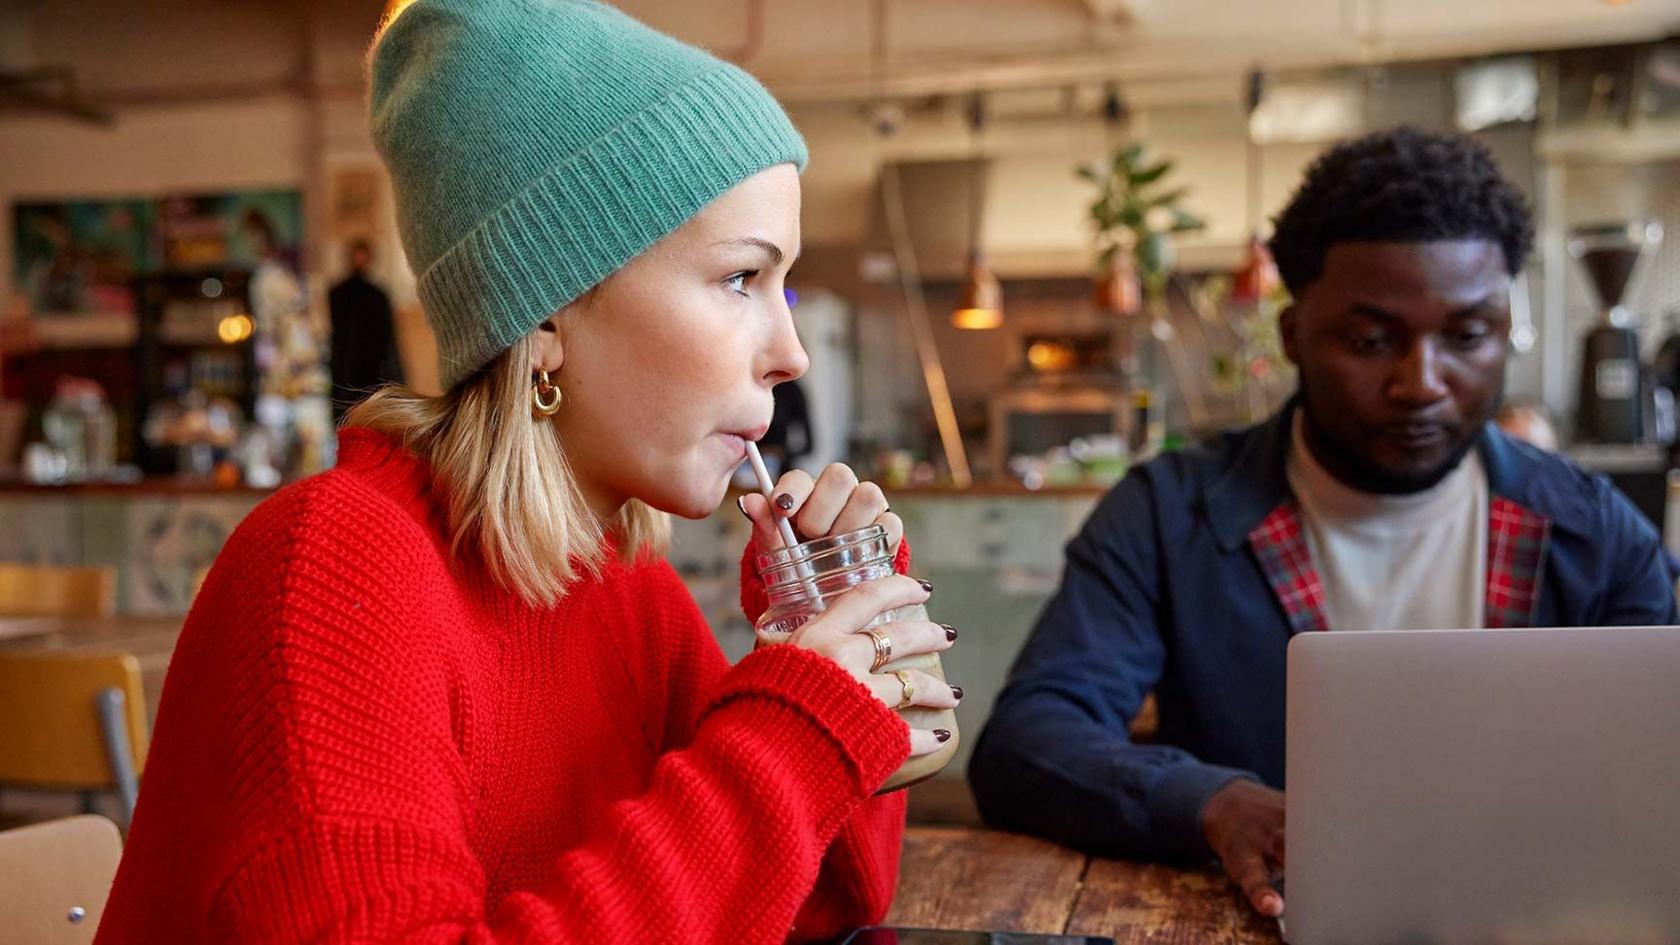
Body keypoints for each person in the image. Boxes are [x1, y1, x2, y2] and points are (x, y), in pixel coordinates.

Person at [95, 2, 961, 941]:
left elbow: (817, 905)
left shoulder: (626, 587)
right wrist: (792, 738)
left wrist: (839, 651)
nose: (790, 353)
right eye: (740, 279)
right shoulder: (331, 570)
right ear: (545, 316)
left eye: (781, 287)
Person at [968, 127, 1679, 920]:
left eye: (1468, 335)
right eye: (1372, 340)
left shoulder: (1595, 533)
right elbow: (1028, 741)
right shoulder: (1169, 515)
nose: (1422, 382)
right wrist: (1214, 801)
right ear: (1294, 334)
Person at [328, 239, 404, 422]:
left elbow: (388, 340)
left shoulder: (377, 296)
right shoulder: (338, 293)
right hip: (345, 369)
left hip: (371, 370)